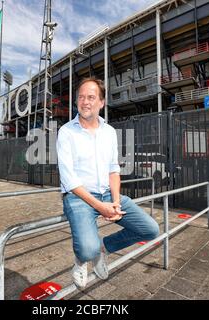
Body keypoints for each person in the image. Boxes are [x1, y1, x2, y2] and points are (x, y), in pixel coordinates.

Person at [56, 77, 160, 288]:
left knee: (150, 229)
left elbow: (113, 169)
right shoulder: (66, 132)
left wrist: (115, 202)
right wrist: (101, 208)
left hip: (106, 195)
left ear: (102, 102)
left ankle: (101, 249)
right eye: (81, 97)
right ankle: (82, 260)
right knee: (86, 249)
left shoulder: (109, 132)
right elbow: (69, 179)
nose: (85, 102)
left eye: (91, 97)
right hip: (78, 197)